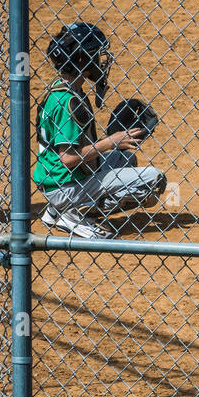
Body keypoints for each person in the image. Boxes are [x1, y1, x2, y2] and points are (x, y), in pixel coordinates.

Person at [34, 22, 167, 239]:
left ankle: (56, 210)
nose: (101, 60)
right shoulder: (68, 102)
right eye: (95, 54)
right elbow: (67, 158)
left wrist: (115, 143)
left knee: (125, 160)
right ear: (80, 60)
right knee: (154, 179)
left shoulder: (63, 89)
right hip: (66, 184)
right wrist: (111, 141)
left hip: (59, 179)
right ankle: (74, 213)